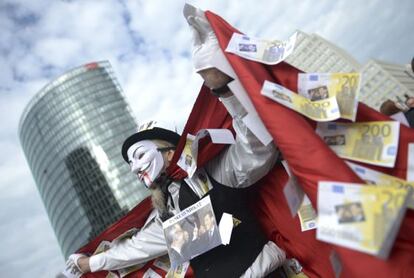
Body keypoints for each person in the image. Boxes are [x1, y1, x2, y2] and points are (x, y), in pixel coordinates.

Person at [64, 4, 286, 277]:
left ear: (171, 153)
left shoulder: (215, 172)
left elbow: (257, 148)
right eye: (130, 163)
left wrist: (223, 87)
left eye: (141, 155)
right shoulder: (165, 211)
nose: (134, 168)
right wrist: (90, 264)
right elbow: (140, 247)